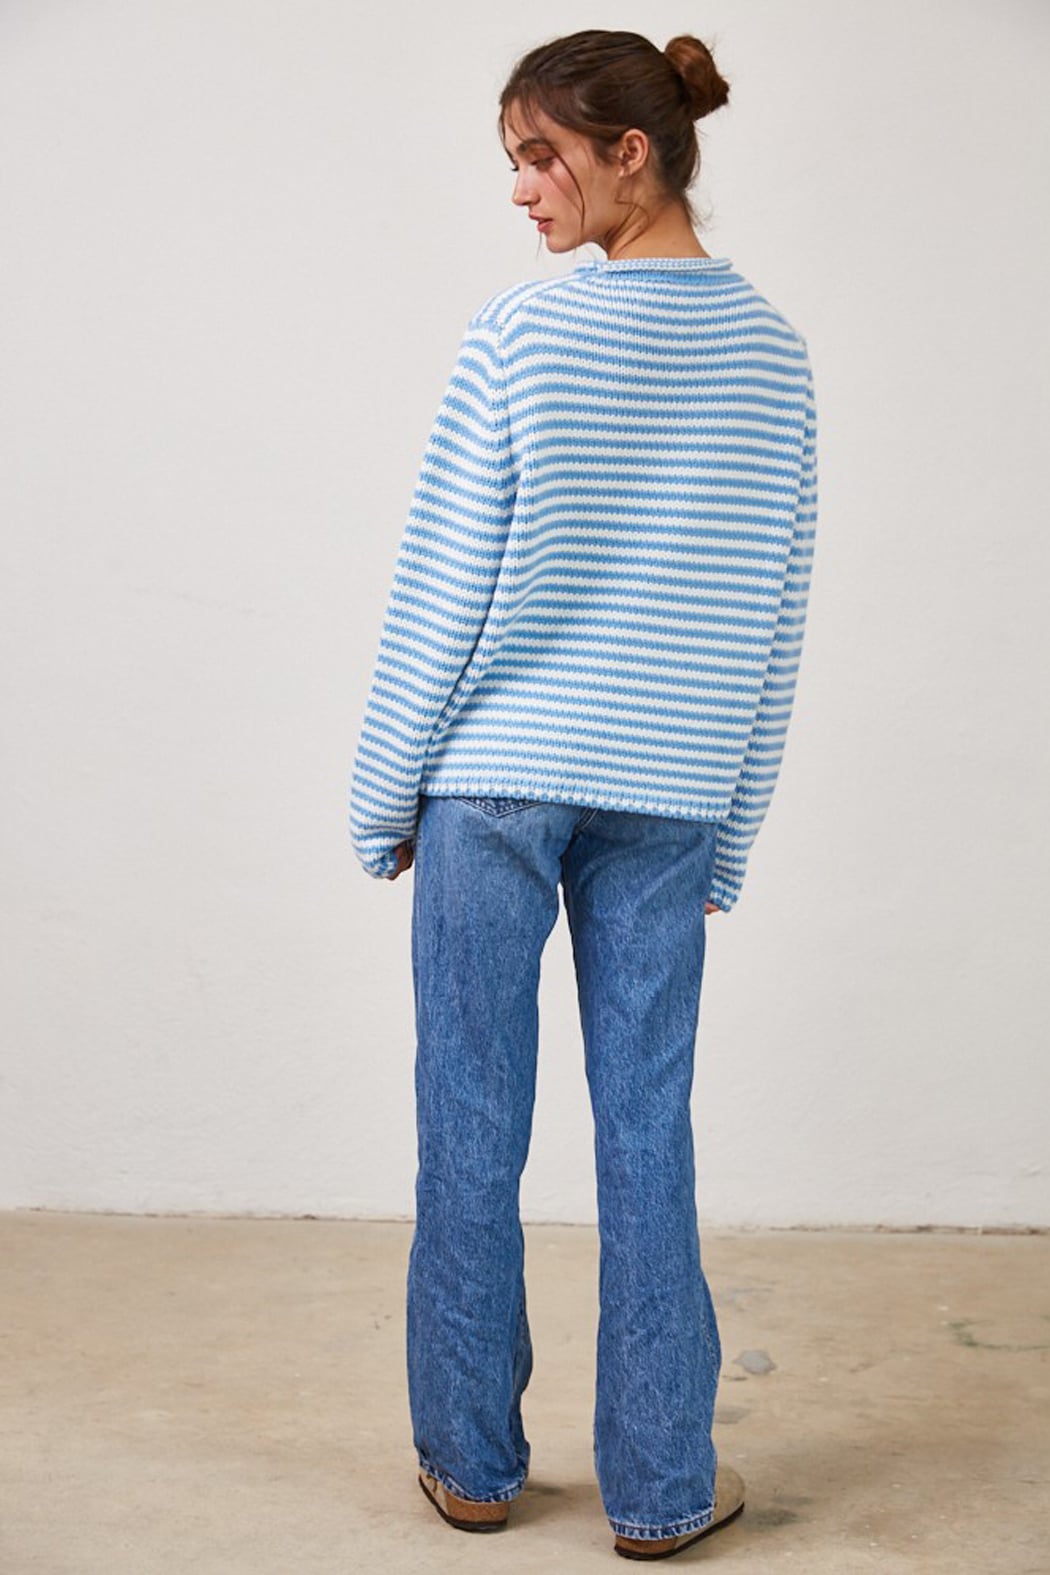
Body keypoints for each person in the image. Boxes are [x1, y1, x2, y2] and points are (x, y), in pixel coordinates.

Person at [348, 27, 817, 1561]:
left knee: (469, 1124)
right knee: (646, 1133)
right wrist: (730, 833)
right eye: (512, 163)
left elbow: (441, 589)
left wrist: (380, 796)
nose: (521, 191)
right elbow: (772, 622)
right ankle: (662, 1491)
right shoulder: (773, 356)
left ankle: (473, 1466)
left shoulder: (520, 336)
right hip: (668, 794)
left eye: (541, 156)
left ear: (633, 151)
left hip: (490, 786)